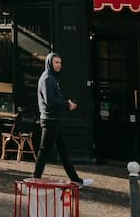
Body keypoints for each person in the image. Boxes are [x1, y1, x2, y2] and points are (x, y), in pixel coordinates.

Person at [33, 53, 93, 188]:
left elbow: (54, 99)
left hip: (54, 119)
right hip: (50, 120)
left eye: (60, 62)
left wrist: (66, 104)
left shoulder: (52, 78)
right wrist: (67, 104)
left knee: (62, 151)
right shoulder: (48, 79)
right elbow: (50, 101)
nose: (59, 65)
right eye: (56, 62)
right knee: (45, 150)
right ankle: (35, 178)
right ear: (49, 63)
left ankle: (76, 180)